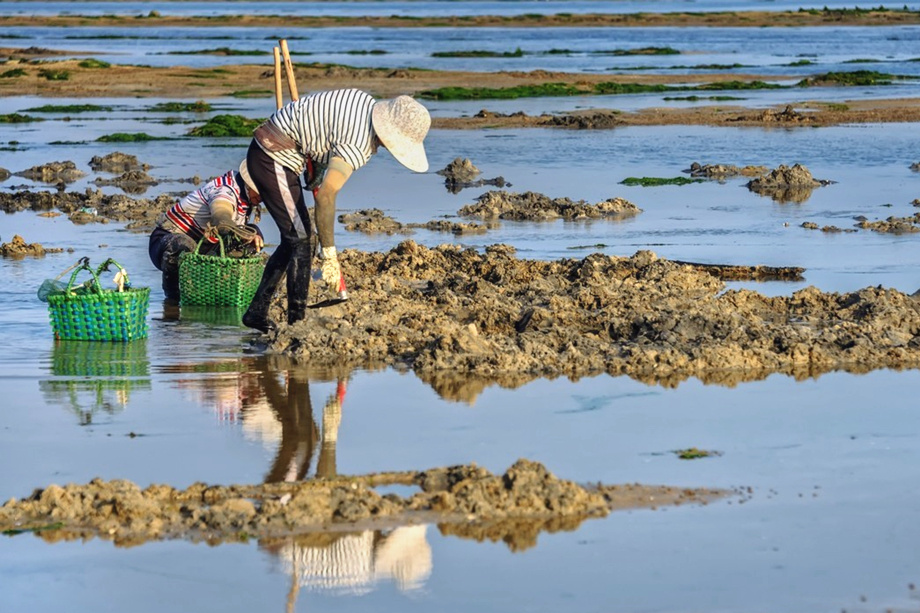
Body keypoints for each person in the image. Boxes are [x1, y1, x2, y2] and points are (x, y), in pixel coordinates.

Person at [241, 88, 431, 333]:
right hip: (271, 157)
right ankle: (295, 323)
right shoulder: (359, 143)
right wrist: (329, 255)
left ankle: (257, 311)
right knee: (301, 240)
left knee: (296, 239)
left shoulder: (363, 101)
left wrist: (315, 169)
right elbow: (327, 197)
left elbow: (321, 128)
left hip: (283, 153)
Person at [148, 161, 264, 300]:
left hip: (203, 248)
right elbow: (221, 219)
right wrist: (242, 235)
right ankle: (172, 298)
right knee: (184, 243)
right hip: (166, 242)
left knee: (254, 233)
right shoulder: (224, 190)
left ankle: (218, 287)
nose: (264, 197)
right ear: (249, 184)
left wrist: (252, 236)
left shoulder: (247, 197)